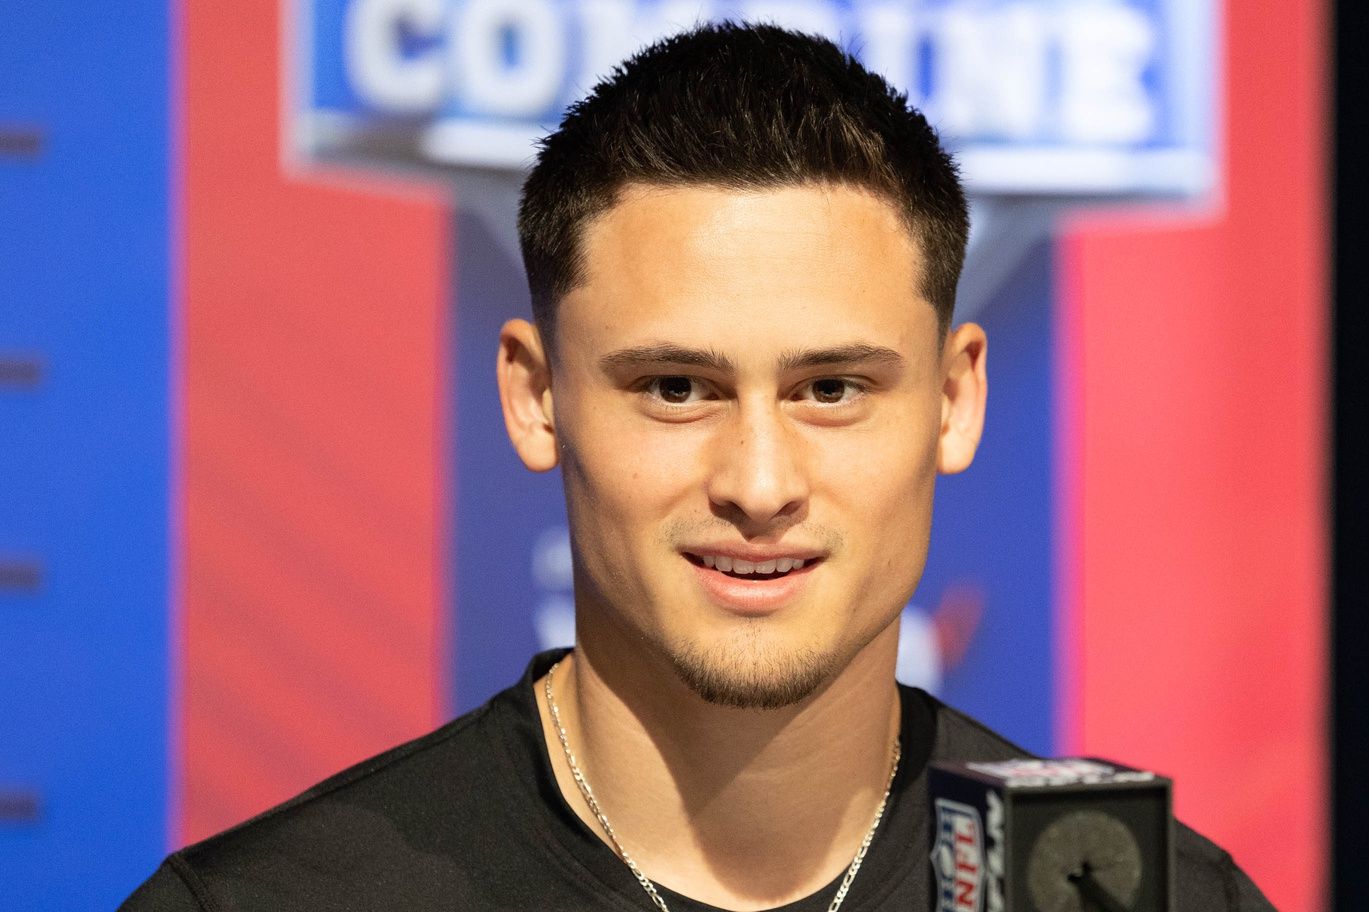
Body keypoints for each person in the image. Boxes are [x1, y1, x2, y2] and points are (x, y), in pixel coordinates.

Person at [122, 23, 1273, 912]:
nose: (760, 483)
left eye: (832, 389)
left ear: (955, 399)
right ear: (534, 397)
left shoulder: (1148, 893)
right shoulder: (274, 903)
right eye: (676, 388)